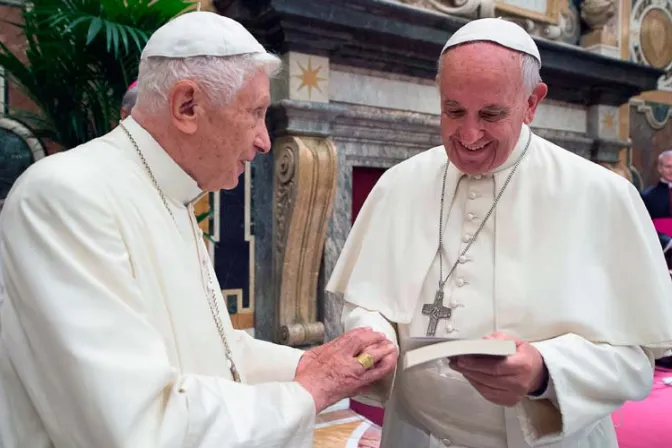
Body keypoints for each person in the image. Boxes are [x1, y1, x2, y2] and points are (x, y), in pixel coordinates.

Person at [0, 12, 397, 448]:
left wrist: (314, 365)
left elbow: (219, 353)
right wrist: (313, 388)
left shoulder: (172, 193)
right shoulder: (65, 197)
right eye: (257, 114)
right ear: (187, 106)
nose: (265, 141)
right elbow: (136, 425)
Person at [327, 18, 672, 448]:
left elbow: (635, 360)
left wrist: (544, 371)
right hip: (416, 435)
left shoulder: (601, 195)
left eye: (491, 114)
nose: (468, 135)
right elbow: (367, 301)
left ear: (532, 103)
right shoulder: (400, 183)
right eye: (453, 111)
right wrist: (374, 336)